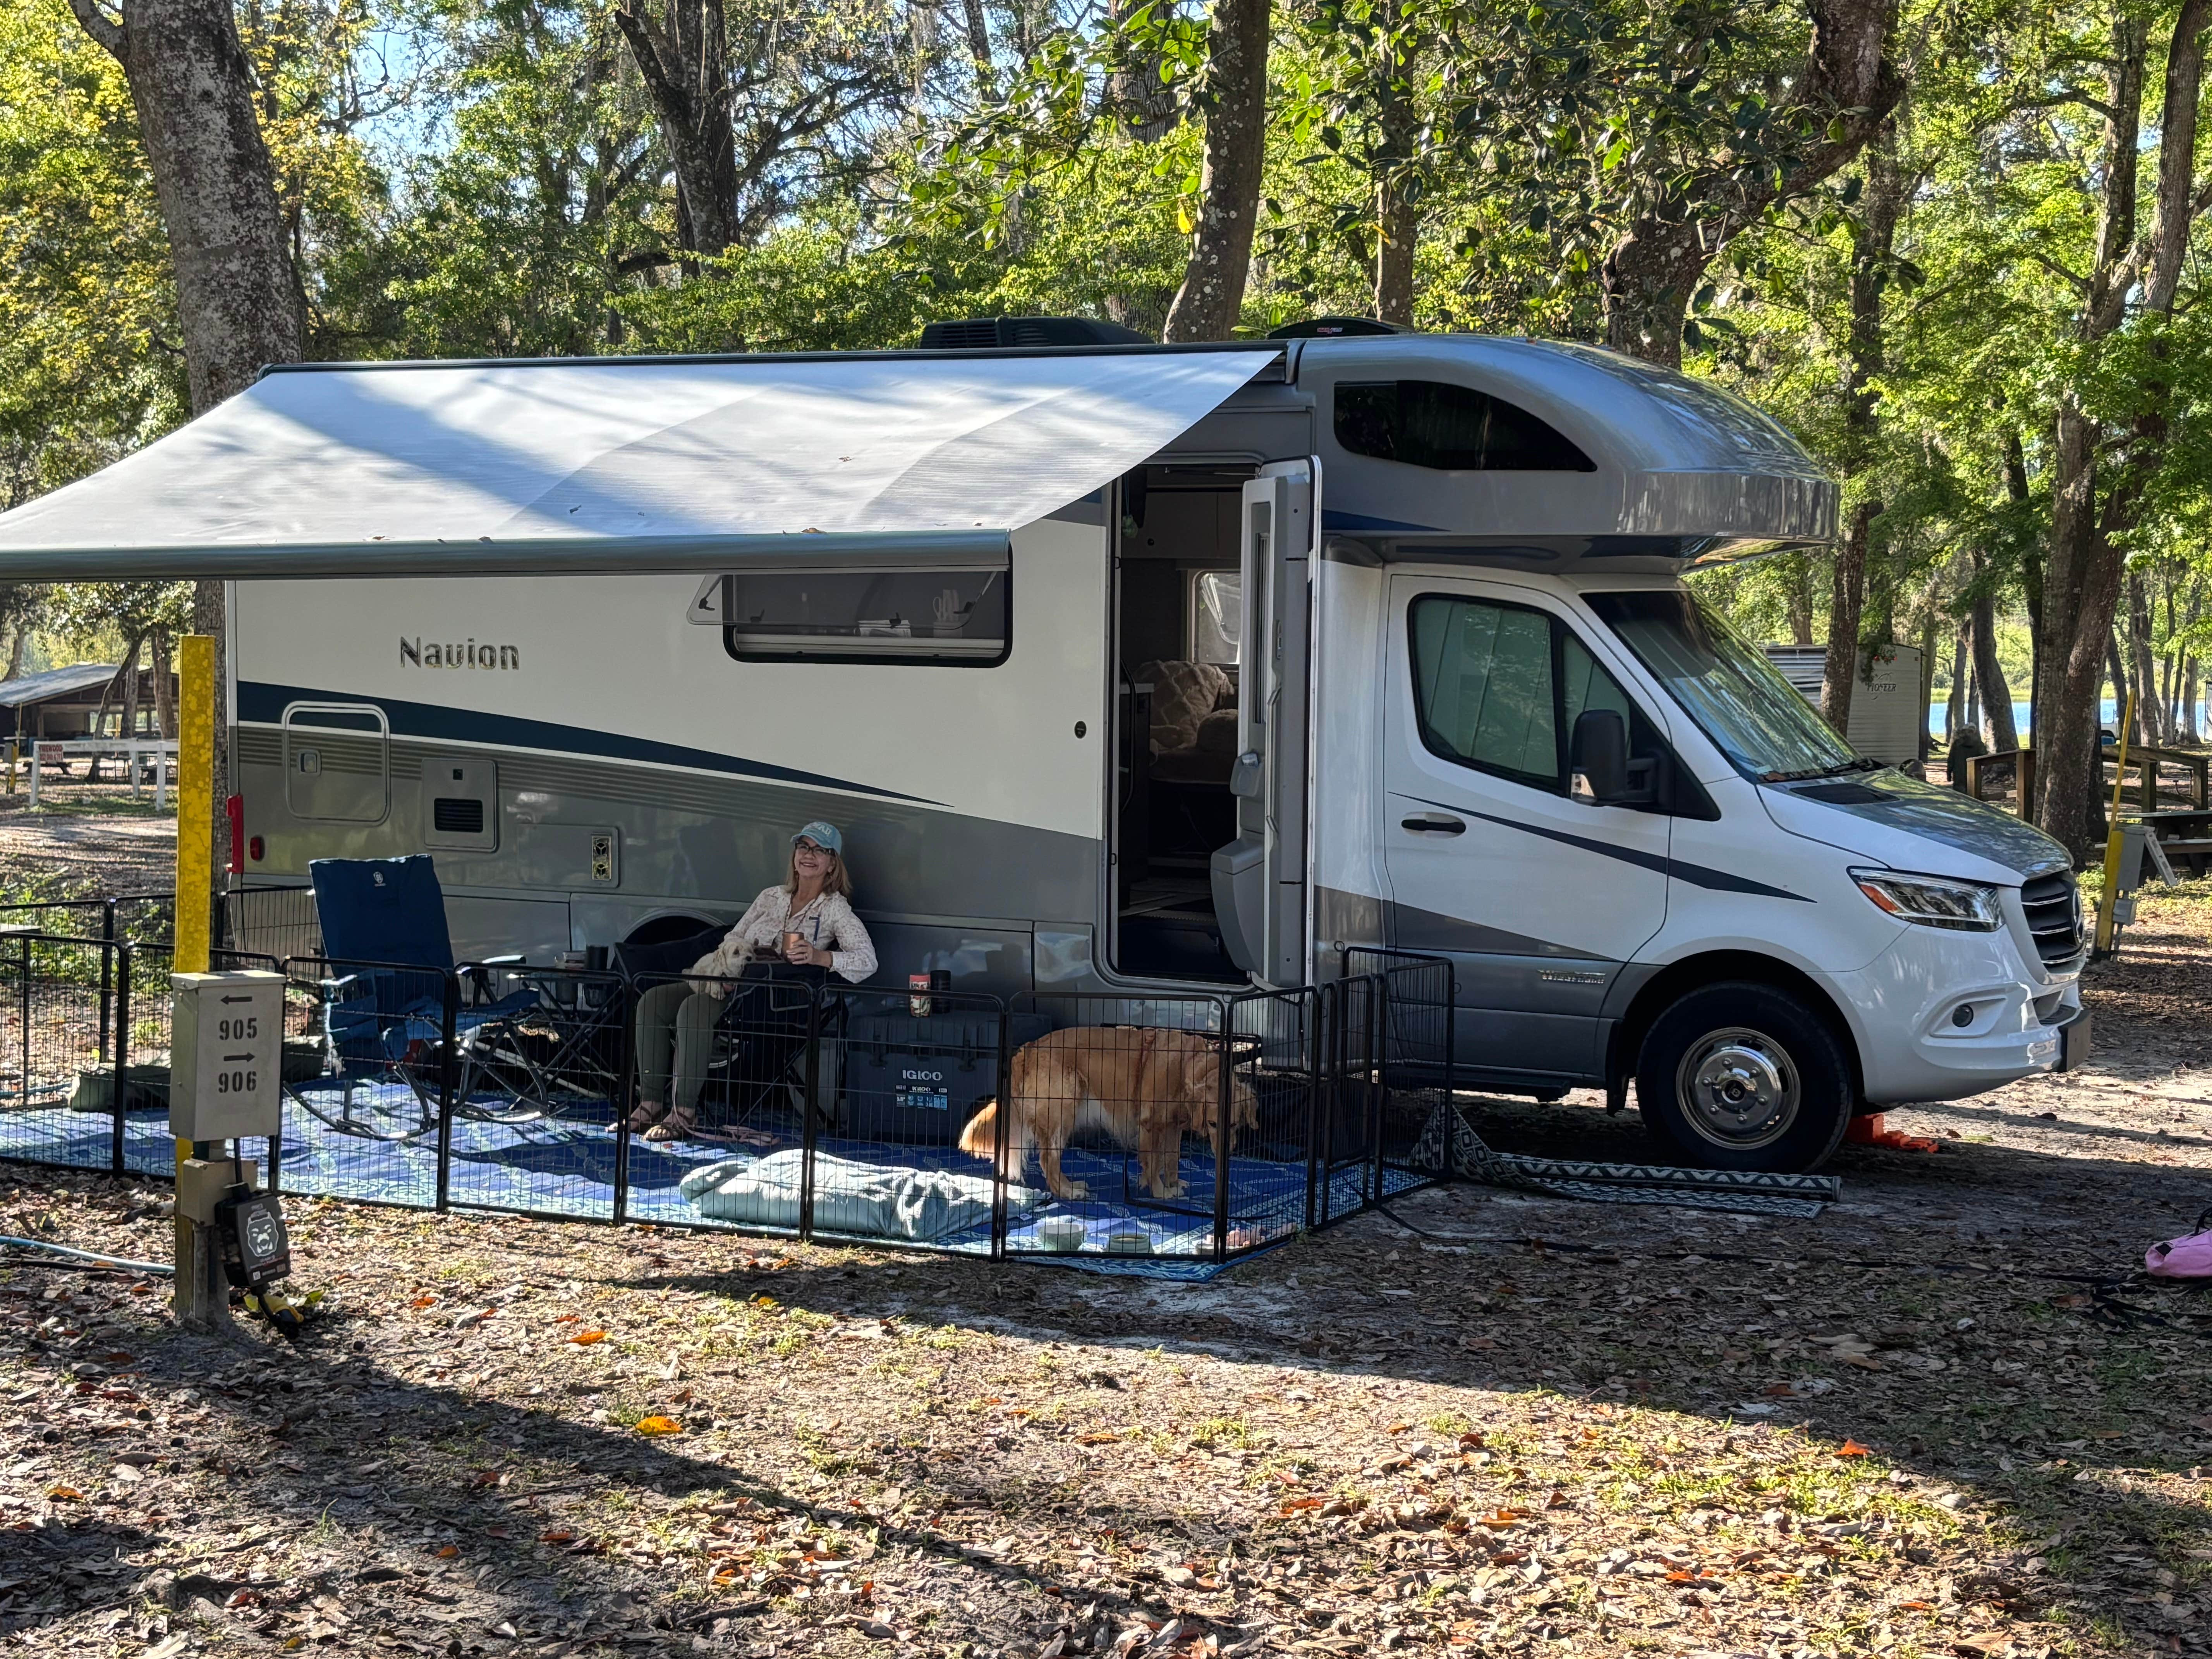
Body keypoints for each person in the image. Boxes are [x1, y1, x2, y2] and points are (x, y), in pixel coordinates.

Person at [630, 821, 877, 1143]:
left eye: (820, 850)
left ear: (832, 864)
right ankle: (650, 1104)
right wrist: (730, 965)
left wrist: (820, 957)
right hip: (730, 979)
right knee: (652, 1001)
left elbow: (867, 961)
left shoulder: (834, 909)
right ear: (795, 856)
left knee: (694, 1008)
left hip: (772, 995)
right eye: (803, 847)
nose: (809, 855)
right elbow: (734, 936)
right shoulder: (771, 896)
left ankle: (684, 1113)